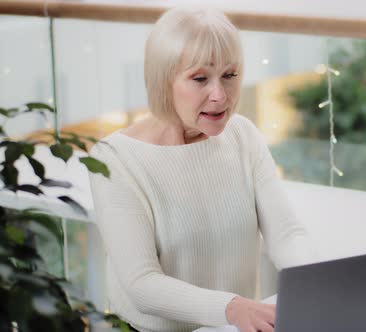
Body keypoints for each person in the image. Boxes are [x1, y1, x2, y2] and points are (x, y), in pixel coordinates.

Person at [88, 6, 317, 332]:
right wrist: (231, 307)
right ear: (162, 80)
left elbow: (287, 234)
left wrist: (316, 284)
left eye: (230, 75)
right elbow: (141, 283)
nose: (220, 95)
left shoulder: (243, 135)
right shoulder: (116, 159)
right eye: (200, 79)